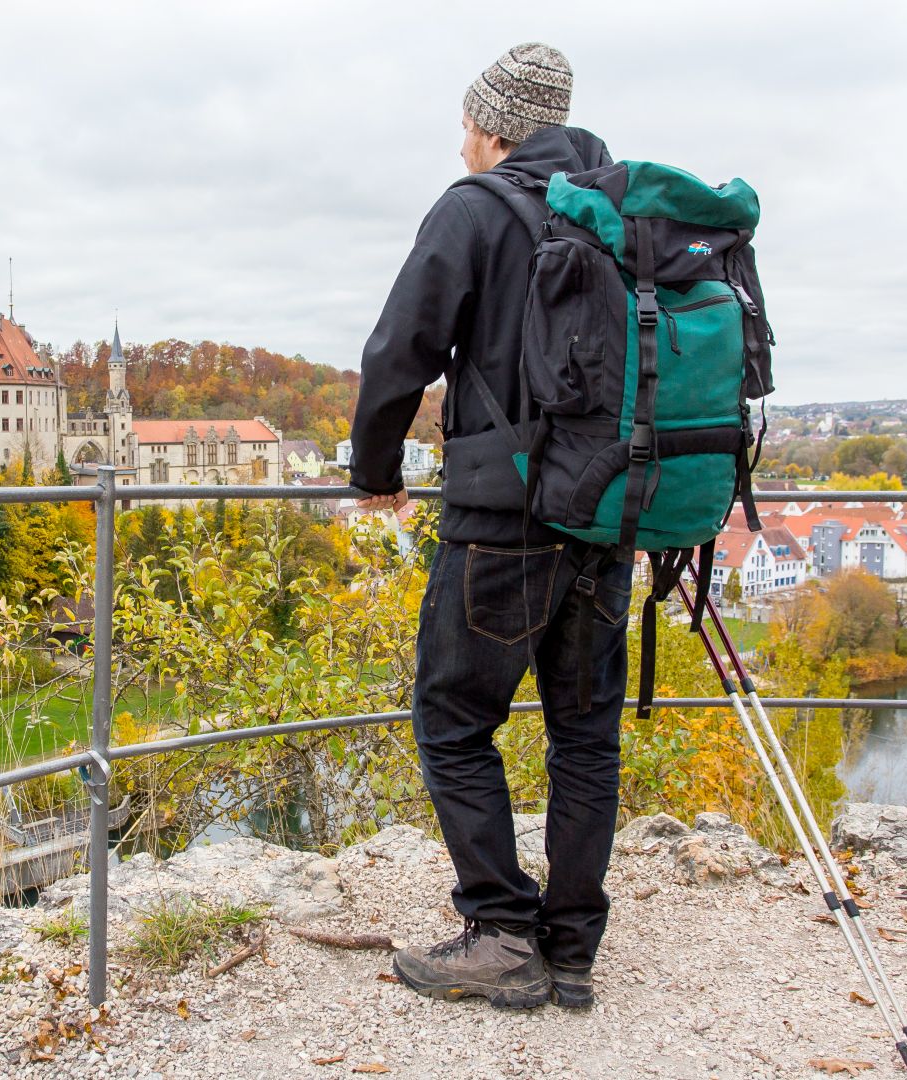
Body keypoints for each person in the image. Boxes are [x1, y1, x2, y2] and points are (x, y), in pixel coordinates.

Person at [348, 42, 631, 1010]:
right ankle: (574, 947)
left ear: (499, 127)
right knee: (584, 736)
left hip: (502, 521)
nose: (461, 139)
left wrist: (375, 471)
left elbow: (398, 351)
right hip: (606, 513)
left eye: (469, 122)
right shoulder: (616, 212)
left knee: (453, 717)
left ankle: (503, 932)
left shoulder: (473, 210)